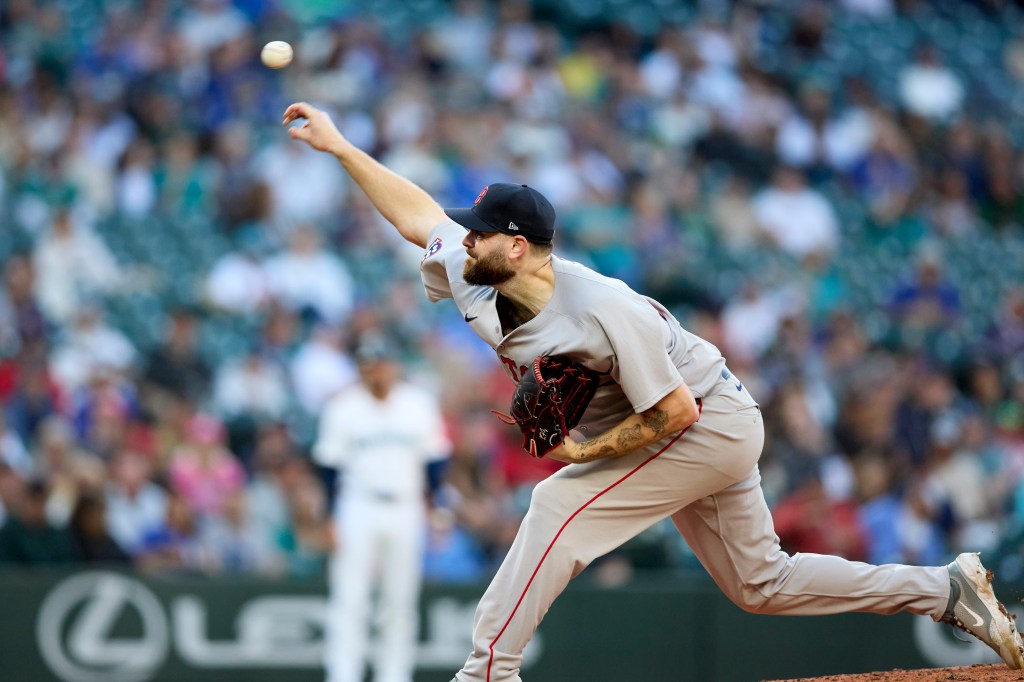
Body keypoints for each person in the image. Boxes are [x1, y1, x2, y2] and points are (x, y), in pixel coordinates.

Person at [282, 101, 1024, 681]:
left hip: (706, 422)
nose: (462, 239)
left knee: (556, 502)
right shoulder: (474, 273)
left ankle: (485, 673)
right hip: (693, 422)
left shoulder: (603, 308)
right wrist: (343, 147)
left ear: (519, 246)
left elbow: (674, 412)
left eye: (479, 233)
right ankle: (943, 589)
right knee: (760, 584)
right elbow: (419, 217)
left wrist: (585, 451)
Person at [313, 335, 452, 682]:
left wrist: (438, 512)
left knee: (399, 601)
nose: (375, 371)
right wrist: (328, 518)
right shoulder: (343, 406)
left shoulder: (417, 404)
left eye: (380, 363)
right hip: (357, 505)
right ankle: (343, 675)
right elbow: (328, 469)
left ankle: (394, 675)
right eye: (368, 365)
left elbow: (434, 464)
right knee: (350, 598)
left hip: (405, 506)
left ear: (394, 365)